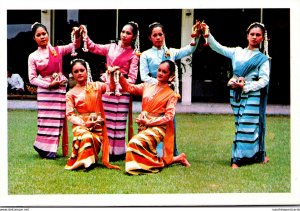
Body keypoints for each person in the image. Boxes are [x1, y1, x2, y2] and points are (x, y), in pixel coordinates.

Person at [203, 22, 271, 169]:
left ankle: (237, 159)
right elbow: (218, 47)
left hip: (252, 94)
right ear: (247, 35)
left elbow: (264, 80)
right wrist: (207, 32)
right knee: (240, 124)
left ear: (262, 38)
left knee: (247, 125)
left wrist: (246, 86)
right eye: (252, 34)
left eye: (258, 35)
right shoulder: (237, 52)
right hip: (235, 93)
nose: (254, 37)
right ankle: (254, 155)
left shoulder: (262, 59)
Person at [112, 60, 190, 175]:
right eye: (159, 70)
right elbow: (129, 88)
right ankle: (178, 158)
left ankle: (150, 165)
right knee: (141, 147)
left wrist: (149, 121)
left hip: (158, 128)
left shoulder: (171, 94)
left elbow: (169, 117)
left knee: (134, 142)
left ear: (171, 76)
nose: (160, 73)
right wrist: (119, 75)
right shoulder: (147, 86)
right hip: (144, 125)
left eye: (164, 72)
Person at [79, 21, 140, 161]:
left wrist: (120, 79)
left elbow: (132, 78)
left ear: (134, 36)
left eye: (128, 33)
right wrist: (85, 34)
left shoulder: (134, 55)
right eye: (123, 32)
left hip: (122, 91)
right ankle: (106, 149)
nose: (124, 35)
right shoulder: (111, 47)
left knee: (119, 122)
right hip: (108, 89)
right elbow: (93, 47)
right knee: (107, 121)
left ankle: (118, 152)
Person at [139, 22, 201, 157]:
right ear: (150, 37)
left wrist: (196, 37)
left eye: (160, 34)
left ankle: (170, 152)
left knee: (169, 121)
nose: (158, 37)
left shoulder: (171, 52)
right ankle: (154, 152)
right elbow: (144, 76)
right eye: (154, 35)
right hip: (153, 94)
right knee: (153, 121)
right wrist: (160, 82)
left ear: (164, 35)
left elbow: (189, 50)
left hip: (167, 95)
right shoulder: (145, 55)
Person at [28, 22, 81, 159]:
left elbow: (75, 46)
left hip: (59, 89)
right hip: (45, 91)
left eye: (44, 34)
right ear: (34, 38)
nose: (42, 37)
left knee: (57, 120)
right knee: (45, 119)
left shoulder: (58, 50)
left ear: (48, 34)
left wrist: (77, 34)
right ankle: (41, 146)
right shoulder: (33, 56)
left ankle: (51, 149)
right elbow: (32, 78)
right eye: (38, 35)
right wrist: (49, 85)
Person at [65, 58, 121, 171]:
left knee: (92, 138)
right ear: (72, 74)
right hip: (81, 125)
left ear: (87, 71)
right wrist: (85, 124)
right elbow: (70, 114)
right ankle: (86, 163)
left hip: (97, 125)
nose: (79, 73)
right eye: (76, 71)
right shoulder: (70, 94)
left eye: (82, 70)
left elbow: (112, 87)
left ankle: (89, 160)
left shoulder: (97, 86)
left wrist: (111, 74)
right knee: (86, 136)